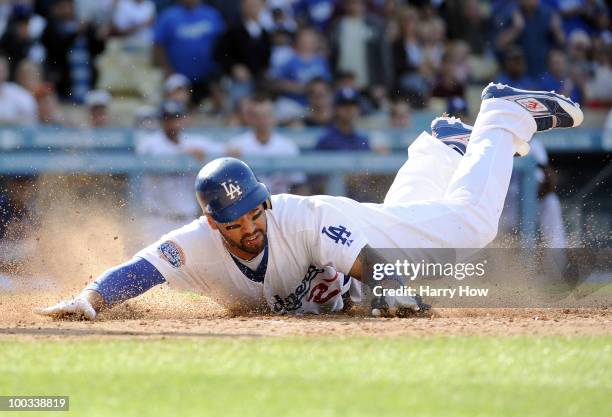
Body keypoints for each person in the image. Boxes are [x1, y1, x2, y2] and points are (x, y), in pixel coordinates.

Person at [35, 83, 584, 319]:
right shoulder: (196, 246)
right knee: (407, 219)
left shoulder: (298, 220)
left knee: (470, 229)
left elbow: (370, 263)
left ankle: (504, 116)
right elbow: (141, 271)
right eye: (235, 222)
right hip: (353, 239)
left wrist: (393, 287)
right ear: (211, 221)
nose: (250, 227)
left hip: (340, 224)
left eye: (254, 212)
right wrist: (89, 300)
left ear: (263, 201)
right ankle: (440, 149)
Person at [135, 100, 225, 242]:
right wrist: (184, 154)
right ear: (161, 121)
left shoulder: (192, 141)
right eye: (168, 118)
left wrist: (205, 156)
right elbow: (148, 158)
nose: (172, 123)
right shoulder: (150, 143)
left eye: (176, 117)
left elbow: (230, 151)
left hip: (186, 220)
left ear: (184, 119)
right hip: (157, 219)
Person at [227, 95, 305, 194]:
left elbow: (297, 183)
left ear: (273, 117)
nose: (262, 120)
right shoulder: (236, 145)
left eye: (266, 115)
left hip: (280, 204)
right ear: (249, 118)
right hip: (248, 205)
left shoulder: (288, 146)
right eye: (257, 116)